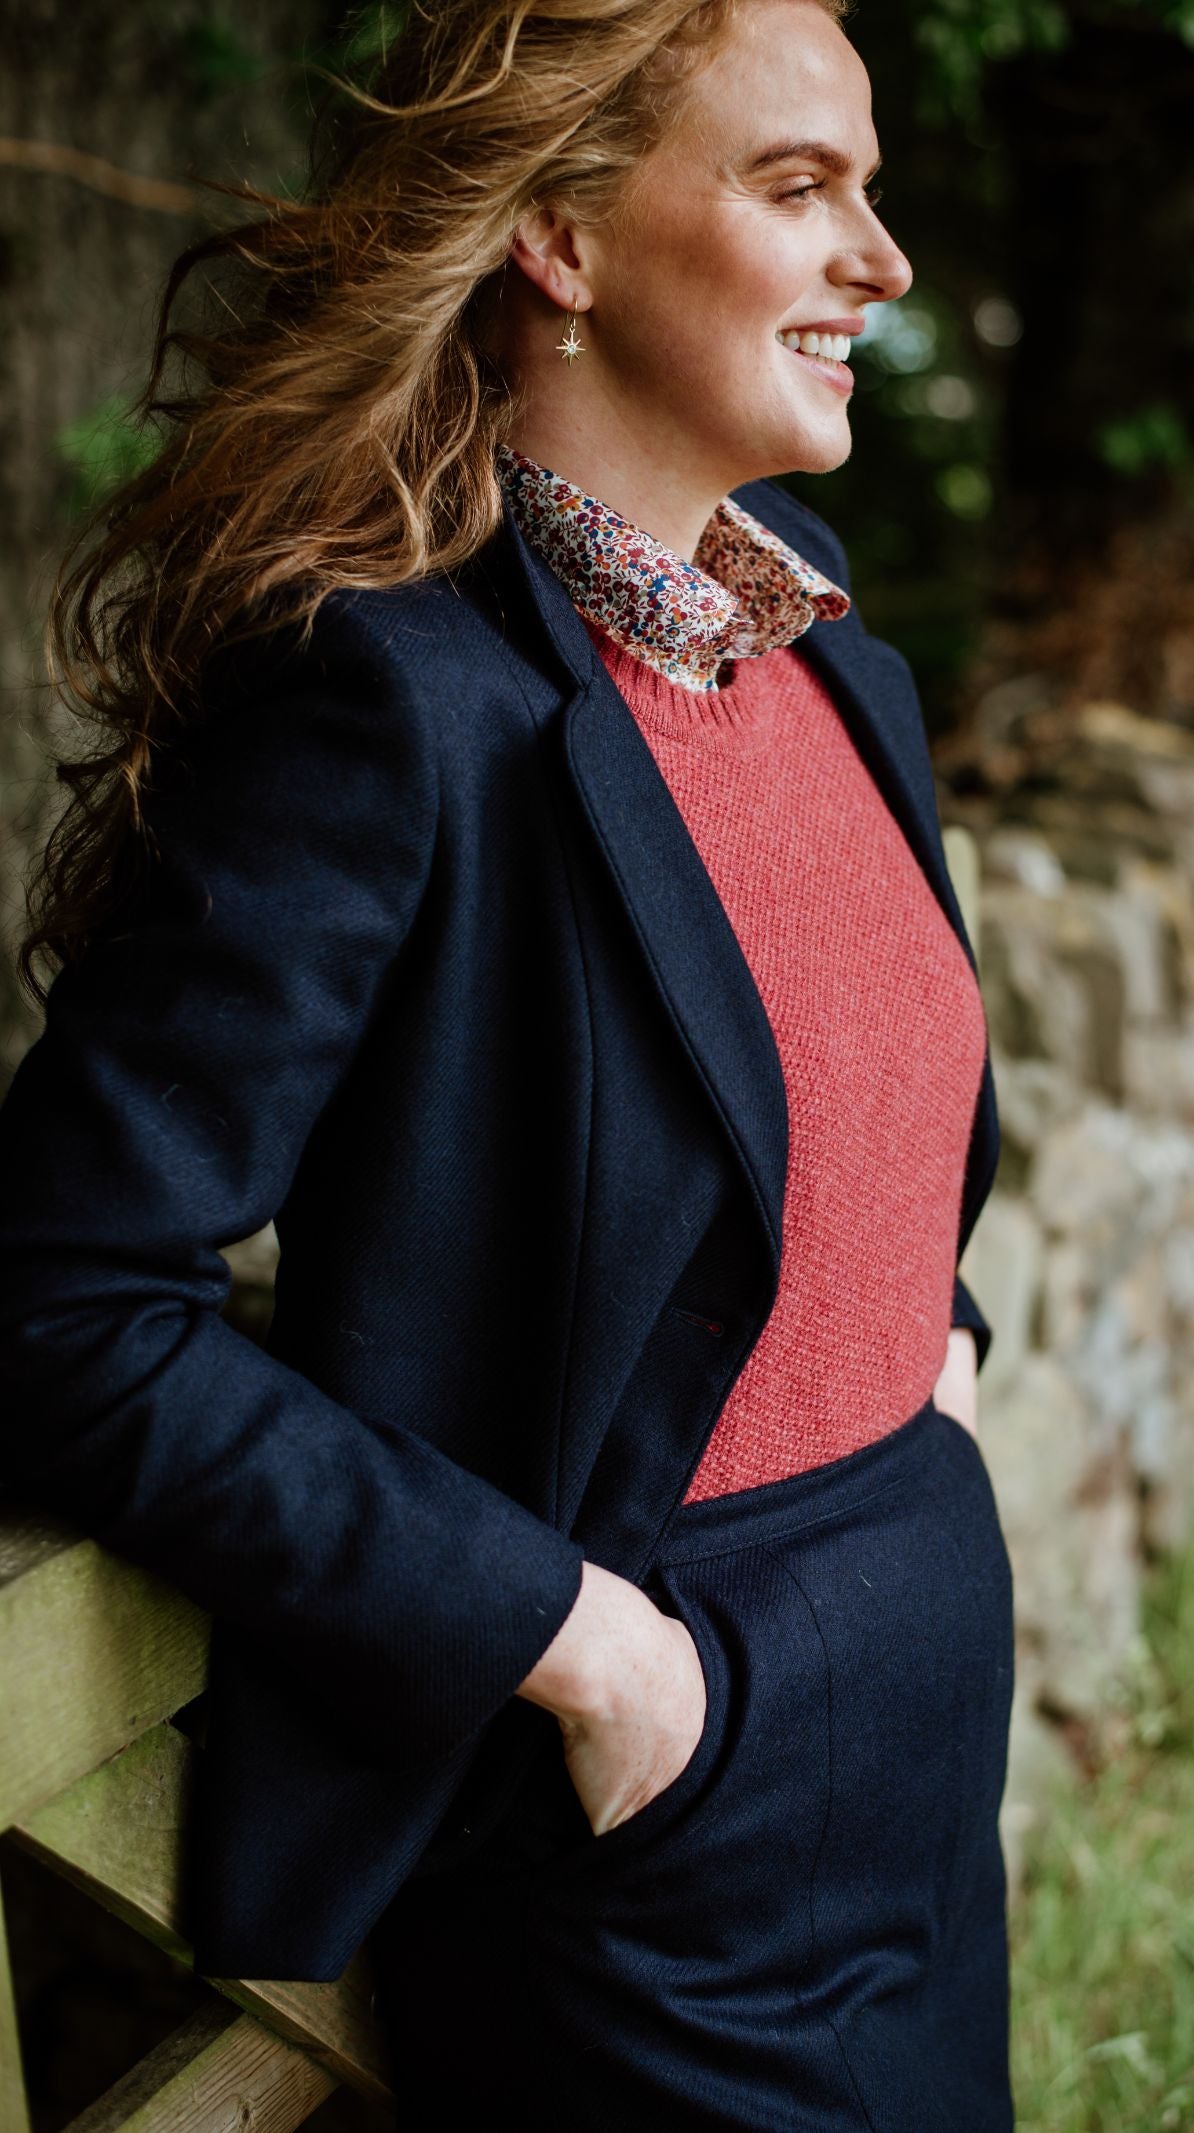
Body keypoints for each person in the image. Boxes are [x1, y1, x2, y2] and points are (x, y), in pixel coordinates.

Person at [0, 0, 1014, 2123]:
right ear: (560, 235)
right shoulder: (386, 700)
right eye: (798, 186)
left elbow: (854, 1117)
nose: (884, 257)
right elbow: (60, 1300)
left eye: (874, 187)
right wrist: (593, 1653)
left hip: (921, 1698)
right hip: (660, 1798)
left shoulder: (821, 636)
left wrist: (923, 1337)